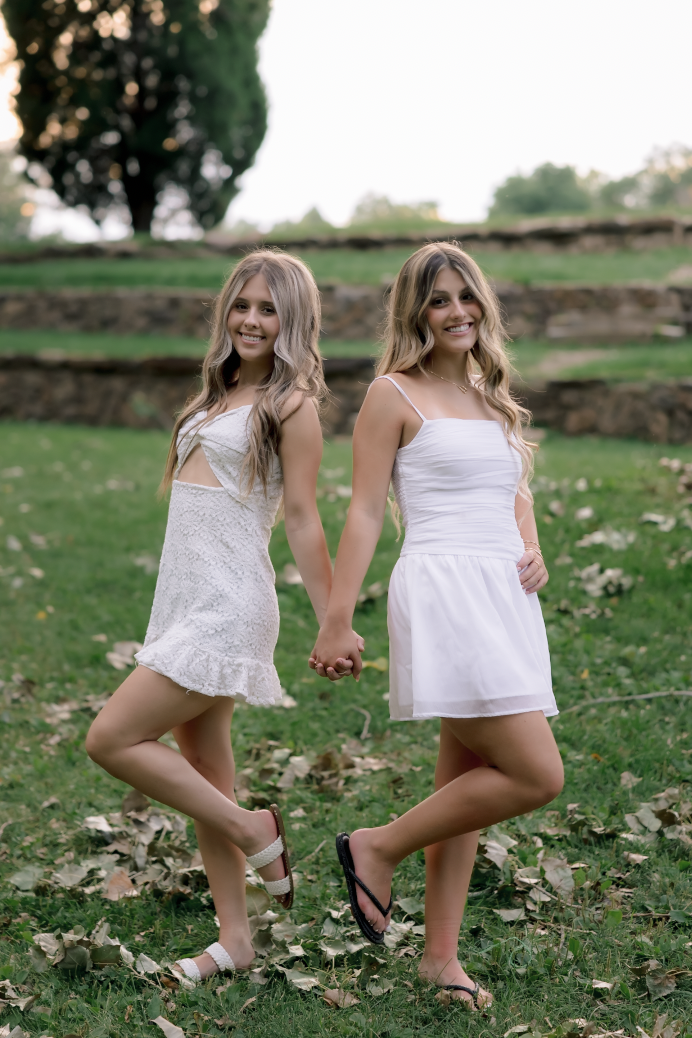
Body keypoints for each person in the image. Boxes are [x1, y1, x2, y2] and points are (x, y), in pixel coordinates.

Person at [310, 242, 563, 1009]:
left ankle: (439, 959)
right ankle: (373, 848)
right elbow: (361, 509)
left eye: (465, 296)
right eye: (438, 300)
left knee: (465, 778)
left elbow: (510, 485)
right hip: (446, 589)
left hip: (504, 595)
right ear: (415, 314)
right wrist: (336, 618)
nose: (457, 311)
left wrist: (534, 544)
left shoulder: (491, 391)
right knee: (534, 774)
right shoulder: (394, 393)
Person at [86, 250, 349, 982]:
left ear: (293, 323)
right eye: (242, 305)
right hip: (182, 599)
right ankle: (235, 939)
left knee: (110, 737)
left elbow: (302, 518)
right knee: (204, 769)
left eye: (269, 310)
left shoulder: (290, 408)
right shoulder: (218, 396)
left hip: (230, 604)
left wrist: (334, 619)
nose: (251, 320)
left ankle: (252, 830)